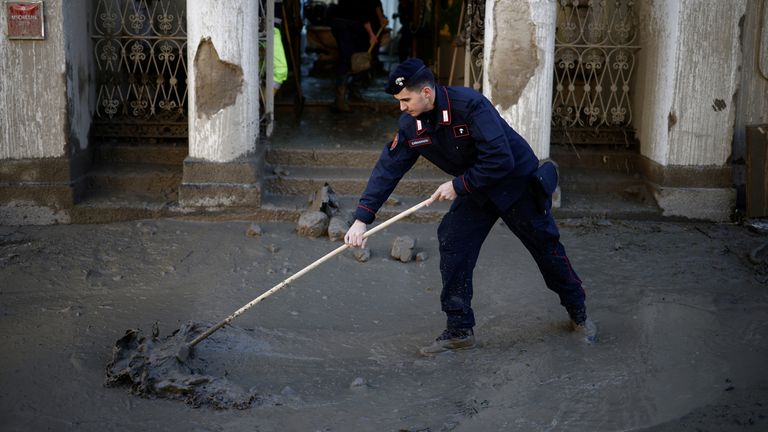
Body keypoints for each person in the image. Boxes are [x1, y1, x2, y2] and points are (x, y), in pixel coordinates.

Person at [344, 58, 597, 355]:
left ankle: (578, 312)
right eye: (399, 101)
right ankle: (459, 328)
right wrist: (362, 219)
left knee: (546, 248)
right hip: (476, 189)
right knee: (452, 241)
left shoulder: (471, 106)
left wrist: (457, 186)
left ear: (426, 92)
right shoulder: (412, 125)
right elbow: (389, 168)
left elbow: (501, 158)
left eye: (405, 99)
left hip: (515, 183)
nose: (402, 107)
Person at [329, 0, 380, 112]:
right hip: (347, 23)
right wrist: (371, 34)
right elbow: (363, 13)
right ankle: (341, 100)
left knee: (352, 58)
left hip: (342, 23)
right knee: (349, 59)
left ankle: (351, 92)